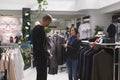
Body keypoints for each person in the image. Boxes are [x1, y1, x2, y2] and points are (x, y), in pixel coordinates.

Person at [32, 14, 52, 80]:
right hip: (41, 56)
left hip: (37, 55)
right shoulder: (41, 31)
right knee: (42, 75)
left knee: (39, 74)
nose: (49, 24)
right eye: (49, 22)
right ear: (46, 20)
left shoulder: (35, 28)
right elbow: (40, 46)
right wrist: (48, 54)